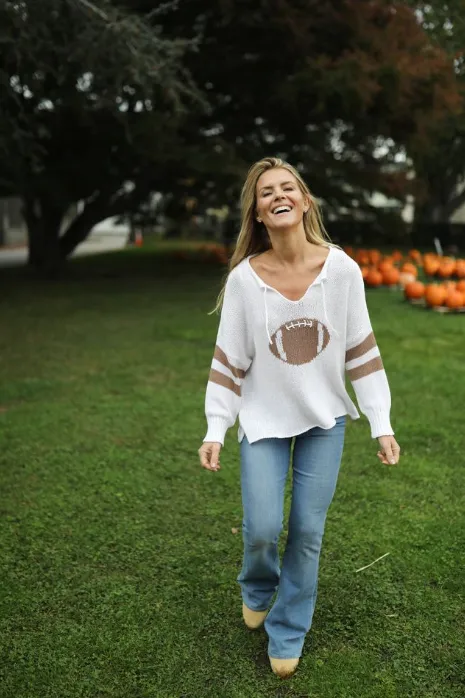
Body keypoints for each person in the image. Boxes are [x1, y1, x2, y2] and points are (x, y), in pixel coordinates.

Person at [198, 157, 401, 679]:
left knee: (308, 530)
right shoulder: (246, 280)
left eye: (288, 187)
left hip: (324, 420)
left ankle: (287, 628)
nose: (278, 195)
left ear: (305, 201)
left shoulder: (343, 271)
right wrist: (216, 426)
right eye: (267, 192)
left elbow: (361, 350)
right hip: (263, 420)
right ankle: (258, 585)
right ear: (258, 213)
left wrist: (380, 421)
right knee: (263, 528)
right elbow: (230, 358)